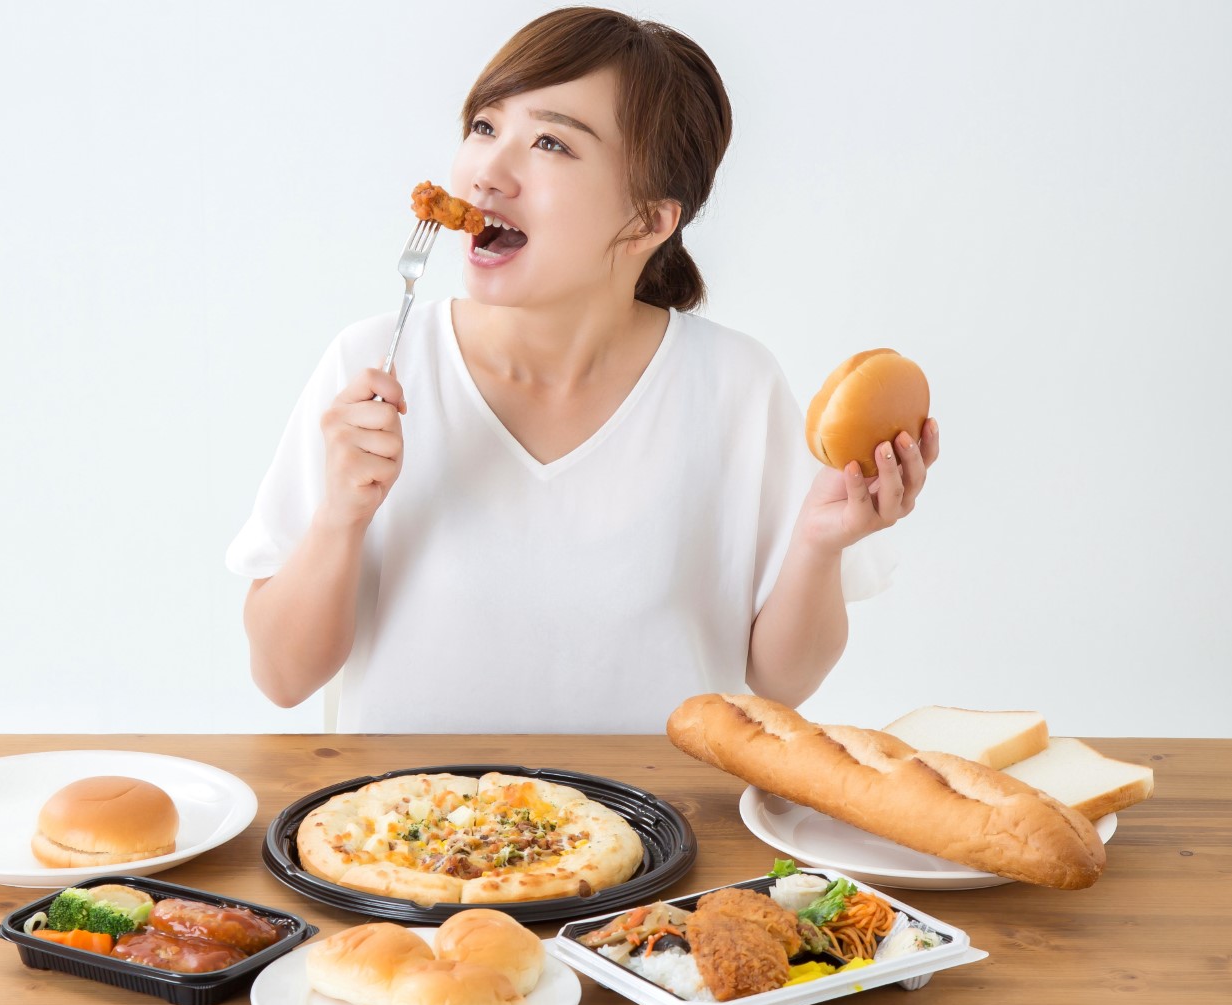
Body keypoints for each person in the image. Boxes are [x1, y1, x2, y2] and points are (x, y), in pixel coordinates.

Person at [226, 7, 940, 734]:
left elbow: (782, 684)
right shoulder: (374, 366)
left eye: (548, 142)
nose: (488, 172)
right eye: (483, 126)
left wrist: (820, 544)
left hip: (654, 837)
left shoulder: (734, 386)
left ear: (648, 222)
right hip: (397, 834)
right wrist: (340, 519)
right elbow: (281, 678)